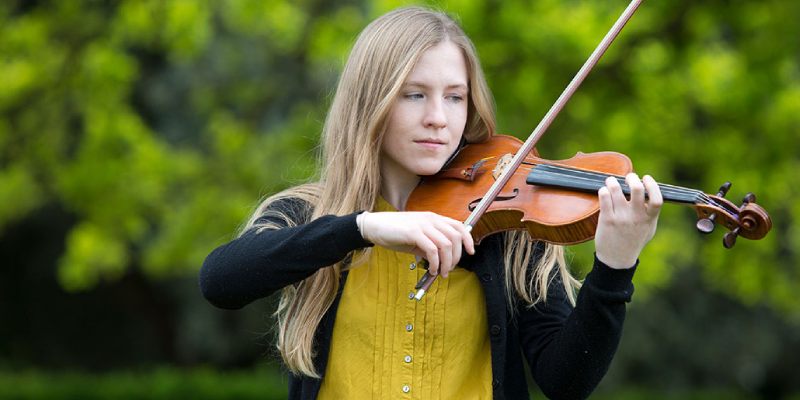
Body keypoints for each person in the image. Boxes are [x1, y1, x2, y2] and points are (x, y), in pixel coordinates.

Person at [199, 6, 662, 400]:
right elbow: (221, 280)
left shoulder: (507, 228)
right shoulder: (310, 215)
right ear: (371, 102)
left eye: (455, 97)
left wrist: (615, 265)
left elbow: (566, 382)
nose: (439, 118)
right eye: (414, 95)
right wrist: (362, 227)